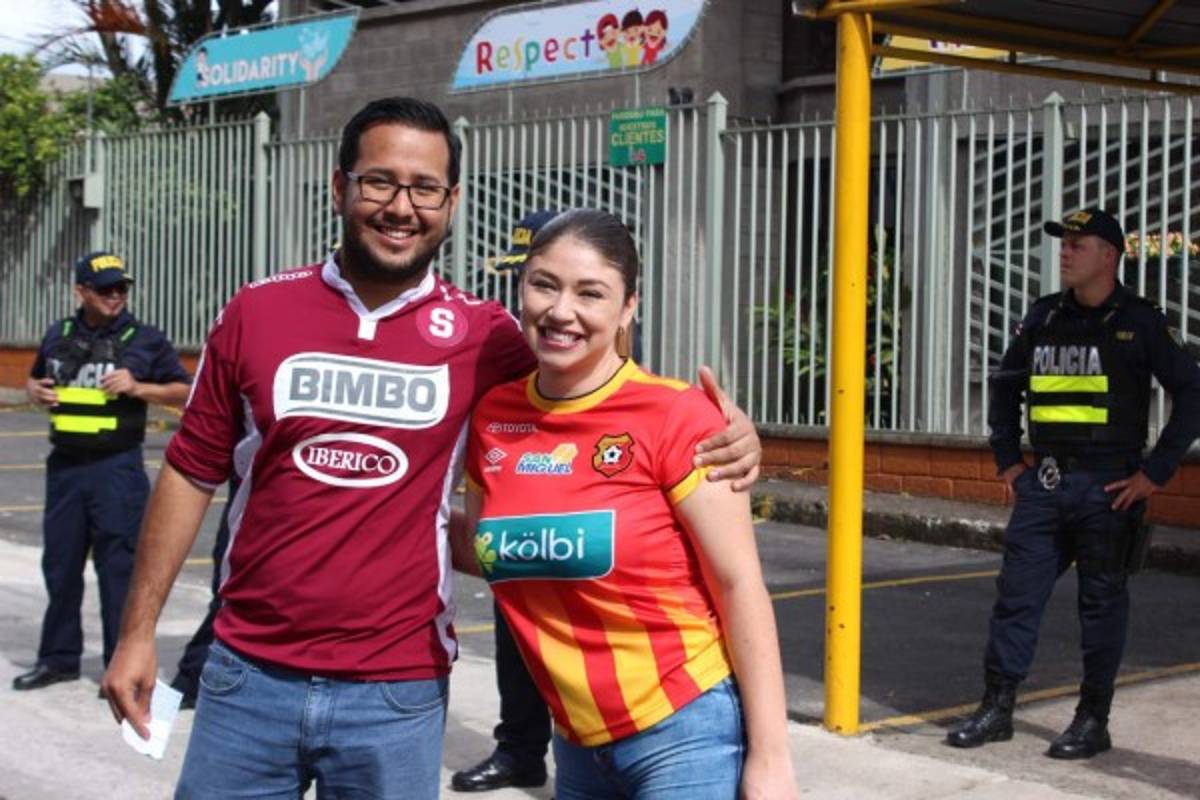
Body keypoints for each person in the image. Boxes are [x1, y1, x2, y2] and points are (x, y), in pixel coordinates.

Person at [101, 97, 760, 799]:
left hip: (398, 690)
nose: (401, 207)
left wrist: (724, 429)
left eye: (425, 188)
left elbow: (598, 392)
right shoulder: (256, 311)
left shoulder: (487, 336)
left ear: (452, 201)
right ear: (340, 186)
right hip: (248, 677)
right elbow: (189, 472)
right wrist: (137, 633)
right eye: (380, 181)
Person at [456, 209, 799, 799]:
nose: (561, 310)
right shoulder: (494, 417)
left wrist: (771, 758)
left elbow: (739, 584)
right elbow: (484, 547)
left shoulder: (677, 415)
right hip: (576, 742)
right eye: (544, 284)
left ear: (628, 308)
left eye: (590, 293)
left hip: (684, 730)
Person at [946, 208, 1200, 759]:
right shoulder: (1043, 317)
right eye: (1063, 243)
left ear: (1108, 256)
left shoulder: (1140, 322)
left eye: (1077, 244)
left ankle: (1092, 720)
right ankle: (997, 708)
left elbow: (1192, 393)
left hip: (1108, 489)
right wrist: (1008, 460)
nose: (1064, 252)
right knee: (1016, 598)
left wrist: (1155, 473)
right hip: (1045, 484)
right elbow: (1005, 387)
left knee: (1101, 606)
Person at [13, 251, 190, 693]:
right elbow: (35, 380)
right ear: (82, 292)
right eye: (106, 288)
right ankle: (57, 659)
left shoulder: (144, 338)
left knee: (119, 570)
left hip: (116, 468)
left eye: (121, 288)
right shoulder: (60, 333)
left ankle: (119, 664)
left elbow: (186, 390)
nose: (116, 296)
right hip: (66, 467)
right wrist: (33, 390)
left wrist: (139, 387)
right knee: (60, 566)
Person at [452, 211, 558, 793]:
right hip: (511, 492)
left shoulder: (589, 321)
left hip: (576, 493)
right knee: (514, 631)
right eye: (526, 276)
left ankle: (598, 759)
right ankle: (520, 750)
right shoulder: (502, 333)